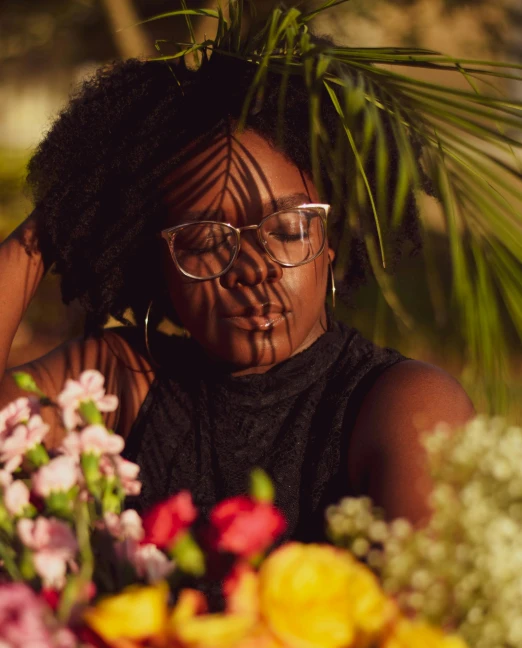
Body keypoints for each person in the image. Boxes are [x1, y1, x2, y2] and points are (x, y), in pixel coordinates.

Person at [0, 53, 473, 541]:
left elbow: (425, 604)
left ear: (328, 243)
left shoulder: (403, 403)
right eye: (207, 241)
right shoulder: (120, 381)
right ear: (158, 265)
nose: (253, 268)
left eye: (288, 229)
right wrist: (69, 209)